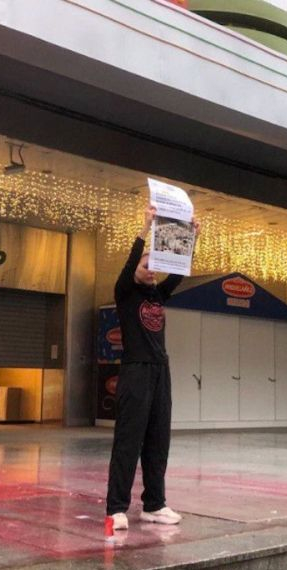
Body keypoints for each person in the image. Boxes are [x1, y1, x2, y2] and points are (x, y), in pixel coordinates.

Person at [105, 205, 200, 531]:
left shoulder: (157, 294)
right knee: (128, 440)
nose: (151, 270)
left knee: (158, 440)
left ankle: (154, 504)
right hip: (135, 371)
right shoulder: (125, 292)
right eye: (146, 265)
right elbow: (131, 263)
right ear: (135, 268)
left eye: (155, 266)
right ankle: (116, 508)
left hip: (161, 371)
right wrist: (145, 228)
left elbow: (179, 272)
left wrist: (192, 238)